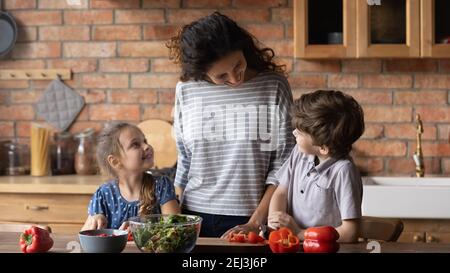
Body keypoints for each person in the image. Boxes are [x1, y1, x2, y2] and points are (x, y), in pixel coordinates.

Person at [167, 12, 295, 237]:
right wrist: (175, 219)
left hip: (250, 218)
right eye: (221, 76)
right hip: (192, 217)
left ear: (244, 48)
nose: (235, 79)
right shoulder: (186, 90)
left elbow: (284, 162)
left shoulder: (273, 86)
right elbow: (185, 159)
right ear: (203, 72)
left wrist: (256, 221)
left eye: (238, 65)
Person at [268, 90, 365, 243]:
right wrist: (276, 221)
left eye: (300, 133)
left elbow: (350, 232)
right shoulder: (299, 153)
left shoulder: (343, 171)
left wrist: (300, 233)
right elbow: (281, 192)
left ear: (323, 148)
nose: (294, 133)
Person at [81, 122, 180, 231]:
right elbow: (84, 237)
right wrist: (95, 222)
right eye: (135, 144)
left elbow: (174, 229)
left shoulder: (162, 186)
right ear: (115, 161)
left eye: (145, 141)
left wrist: (141, 232)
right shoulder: (103, 194)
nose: (147, 146)